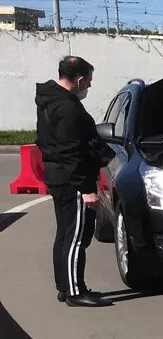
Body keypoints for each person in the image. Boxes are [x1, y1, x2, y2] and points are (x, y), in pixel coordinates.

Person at [35, 56, 114, 307]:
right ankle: (75, 292)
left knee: (65, 234)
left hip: (58, 176)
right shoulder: (67, 108)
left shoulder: (50, 100)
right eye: (88, 83)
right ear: (79, 79)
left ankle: (65, 286)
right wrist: (86, 188)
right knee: (77, 237)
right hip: (72, 181)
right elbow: (71, 151)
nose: (88, 87)